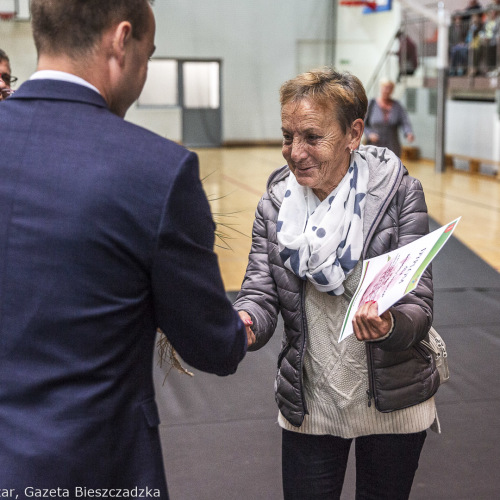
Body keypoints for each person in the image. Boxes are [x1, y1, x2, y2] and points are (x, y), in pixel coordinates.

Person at [0, 0, 247, 496]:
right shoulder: (156, 171)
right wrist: (238, 326)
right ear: (121, 40)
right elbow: (213, 344)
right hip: (92, 469)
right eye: (149, 55)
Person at [234, 68, 439, 500]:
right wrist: (243, 322)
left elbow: (417, 306)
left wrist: (389, 324)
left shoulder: (399, 194)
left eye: (312, 136)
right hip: (312, 404)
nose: (295, 152)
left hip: (393, 400)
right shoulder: (274, 205)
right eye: (287, 136)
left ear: (353, 133)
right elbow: (260, 293)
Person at [364, 78, 415, 158]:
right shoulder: (372, 104)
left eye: (390, 88)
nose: (387, 90)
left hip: (392, 146)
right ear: (380, 88)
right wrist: (369, 134)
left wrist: (408, 133)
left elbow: (405, 121)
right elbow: (363, 124)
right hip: (374, 147)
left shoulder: (397, 106)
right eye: (385, 87)